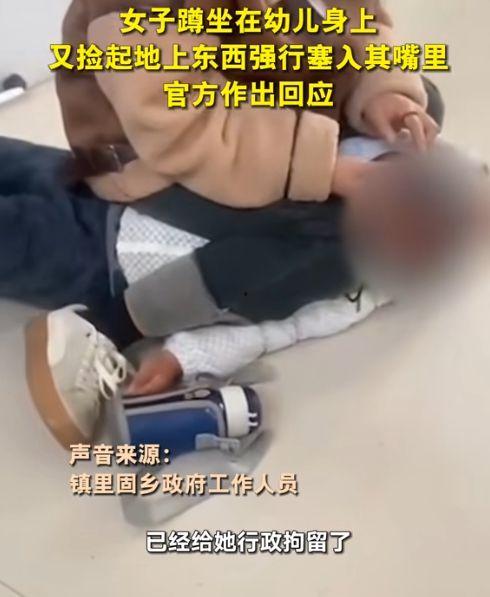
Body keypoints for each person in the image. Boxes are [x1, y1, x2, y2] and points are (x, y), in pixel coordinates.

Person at [1, 134, 482, 448]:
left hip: (103, 264)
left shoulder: (357, 292)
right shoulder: (364, 153)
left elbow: (276, 330)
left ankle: (111, 325)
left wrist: (184, 356)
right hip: (120, 181)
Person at [56, 0, 438, 208]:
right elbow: (176, 124)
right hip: (161, 155)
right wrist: (317, 168)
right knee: (312, 228)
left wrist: (382, 89)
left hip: (256, 98)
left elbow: (359, 21)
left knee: (423, 101)